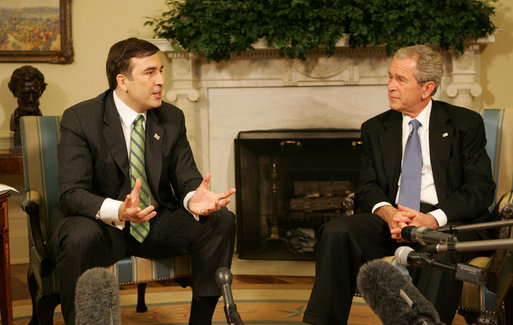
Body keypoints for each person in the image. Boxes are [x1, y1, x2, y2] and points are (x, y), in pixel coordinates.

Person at [303, 45, 496, 325]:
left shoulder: (464, 124)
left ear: (427, 88)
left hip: (447, 220)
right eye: (390, 77)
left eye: (401, 80)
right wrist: (389, 213)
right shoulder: (375, 128)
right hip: (394, 218)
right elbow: (367, 186)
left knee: (439, 250)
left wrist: (431, 219)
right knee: (337, 231)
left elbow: (480, 189)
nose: (391, 86)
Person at [48, 37, 236, 325]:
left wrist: (193, 199)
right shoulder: (81, 118)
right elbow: (72, 192)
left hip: (153, 221)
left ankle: (201, 321)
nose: (161, 81)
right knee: (78, 237)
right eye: (150, 73)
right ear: (123, 81)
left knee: (221, 219)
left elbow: (186, 177)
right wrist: (119, 211)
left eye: (161, 71)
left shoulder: (171, 117)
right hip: (101, 223)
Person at [8, 65, 46, 132]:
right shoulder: (15, 121)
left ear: (41, 91)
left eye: (34, 93)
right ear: (14, 92)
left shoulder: (43, 123)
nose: (30, 99)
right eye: (25, 94)